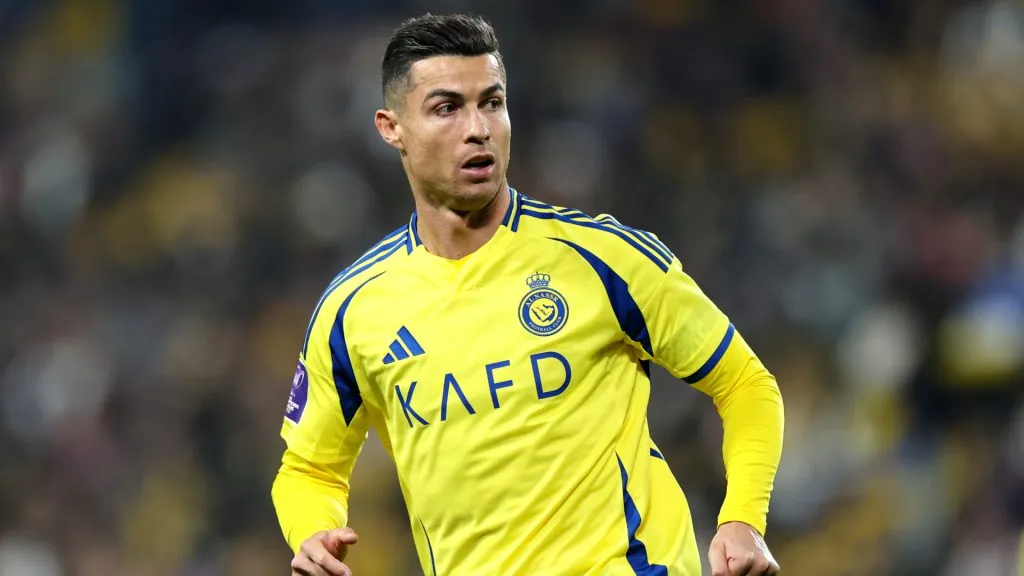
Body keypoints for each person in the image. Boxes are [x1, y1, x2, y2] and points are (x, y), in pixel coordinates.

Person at [271, 13, 784, 576]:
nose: (478, 128)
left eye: (492, 103)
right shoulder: (354, 310)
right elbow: (309, 469)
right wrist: (312, 532)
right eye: (447, 108)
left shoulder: (603, 258)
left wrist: (742, 517)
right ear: (391, 128)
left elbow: (744, 382)